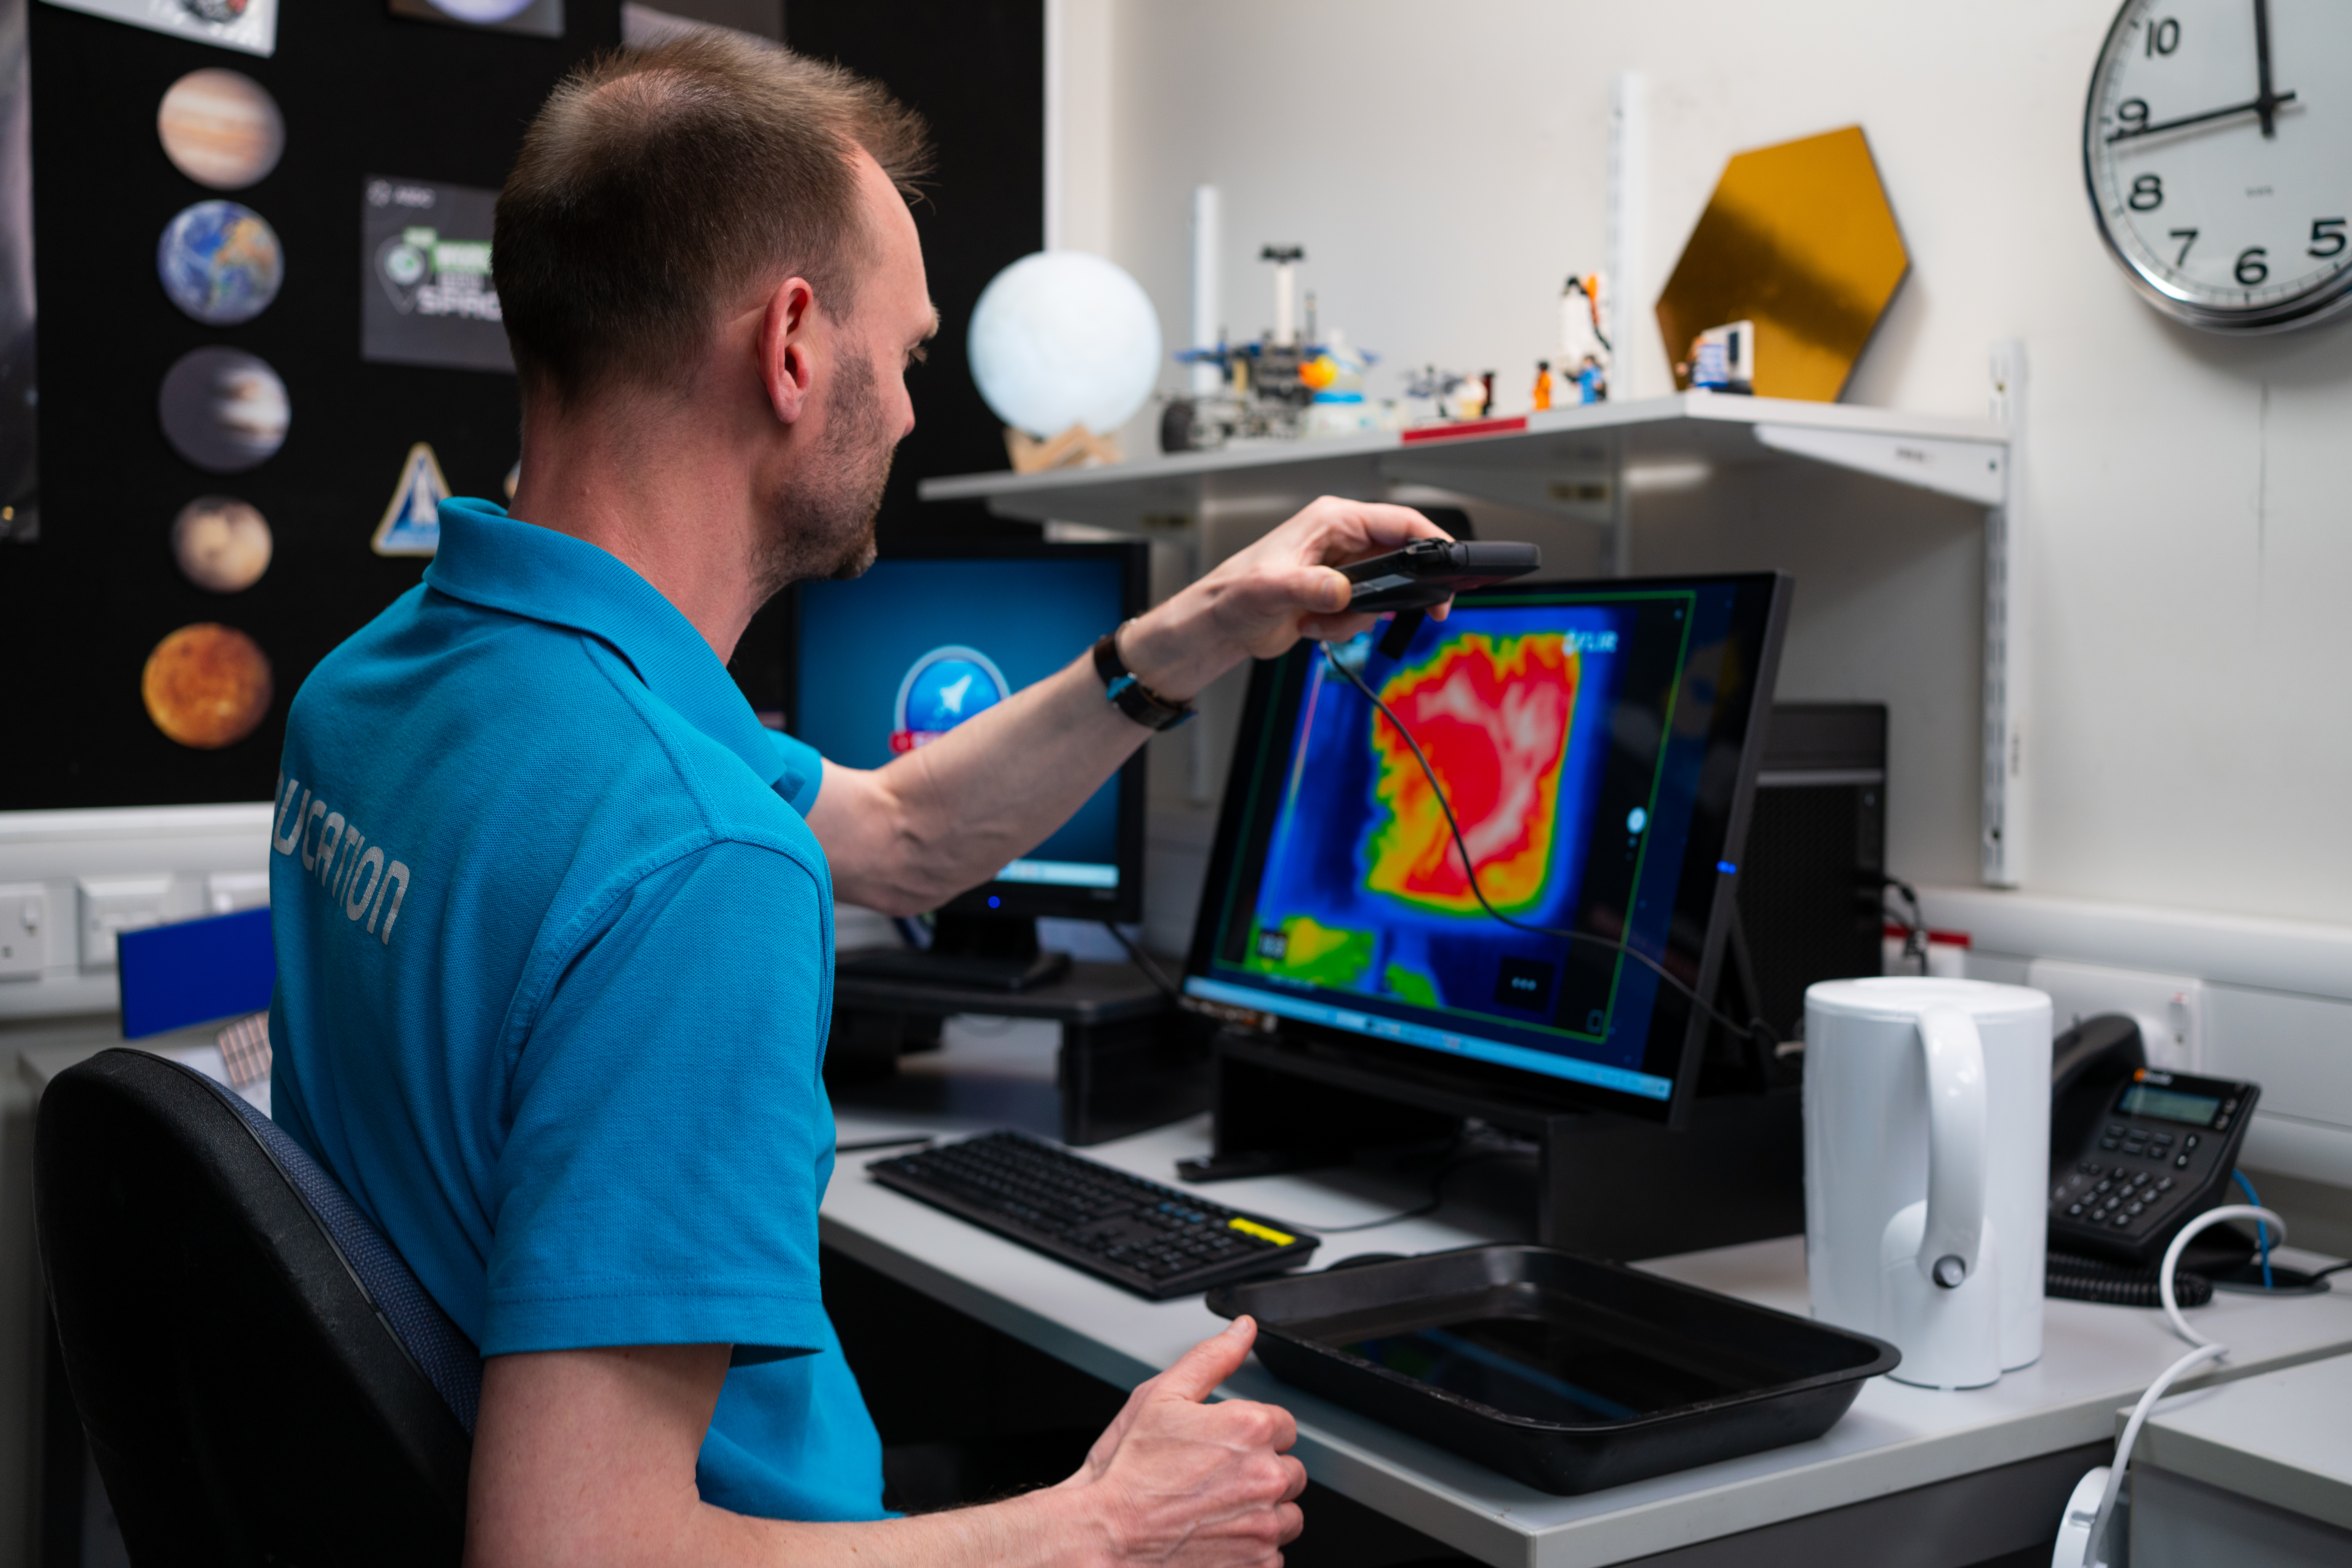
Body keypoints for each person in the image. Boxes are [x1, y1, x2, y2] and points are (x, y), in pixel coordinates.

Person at [265, 32, 1451, 1567]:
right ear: (794, 345)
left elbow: (902, 837)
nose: (903, 413)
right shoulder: (694, 859)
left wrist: (1200, 629)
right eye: (907, 356)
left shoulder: (390, 690)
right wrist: (1098, 1526)